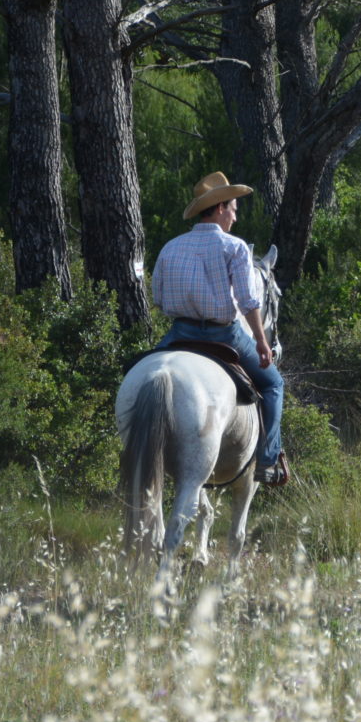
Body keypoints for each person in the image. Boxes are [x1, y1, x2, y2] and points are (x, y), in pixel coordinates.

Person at [151, 171, 289, 486]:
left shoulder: (170, 247)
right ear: (220, 207)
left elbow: (158, 298)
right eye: (234, 210)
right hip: (222, 333)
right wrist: (262, 342)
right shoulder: (235, 247)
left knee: (143, 375)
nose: (235, 218)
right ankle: (268, 461)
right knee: (273, 385)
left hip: (179, 334)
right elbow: (248, 302)